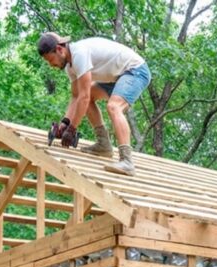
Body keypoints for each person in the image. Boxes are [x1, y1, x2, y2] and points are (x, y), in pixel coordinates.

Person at [38, 32, 151, 176]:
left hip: (135, 71)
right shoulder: (70, 66)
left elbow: (83, 98)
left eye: (50, 60)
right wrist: (65, 124)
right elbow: (76, 96)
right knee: (89, 95)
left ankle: (127, 161)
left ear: (59, 49)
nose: (50, 65)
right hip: (116, 77)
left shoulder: (79, 54)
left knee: (114, 106)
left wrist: (72, 129)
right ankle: (104, 145)